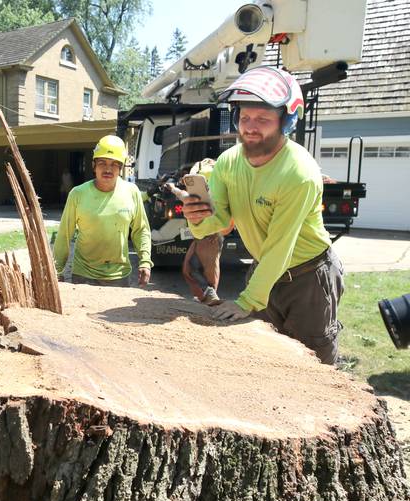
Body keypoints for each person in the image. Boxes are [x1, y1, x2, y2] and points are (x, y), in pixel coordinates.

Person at [180, 66, 344, 365]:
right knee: (262, 357)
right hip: (265, 267)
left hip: (308, 277)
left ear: (286, 121)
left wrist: (248, 302)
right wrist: (195, 216)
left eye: (263, 119)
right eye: (244, 118)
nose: (250, 127)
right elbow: (218, 223)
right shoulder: (229, 162)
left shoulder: (299, 173)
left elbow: (281, 247)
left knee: (314, 363)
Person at [54, 135, 152, 287]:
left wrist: (145, 260)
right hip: (83, 275)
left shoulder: (132, 192)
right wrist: (57, 269)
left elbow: (141, 230)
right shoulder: (78, 194)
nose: (108, 169)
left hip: (119, 276)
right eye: (102, 163)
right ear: (94, 165)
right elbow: (65, 234)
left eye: (114, 164)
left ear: (121, 167)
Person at [166, 159, 233, 306]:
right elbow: (183, 195)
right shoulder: (204, 199)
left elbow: (227, 225)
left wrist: (216, 234)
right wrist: (172, 188)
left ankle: (210, 297)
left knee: (199, 268)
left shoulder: (220, 201)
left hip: (210, 238)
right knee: (192, 267)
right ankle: (207, 296)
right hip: (205, 237)